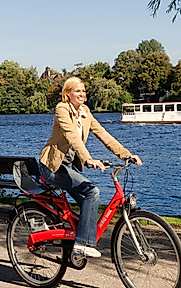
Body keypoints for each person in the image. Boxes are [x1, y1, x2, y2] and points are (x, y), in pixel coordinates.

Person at [37, 77, 142, 260]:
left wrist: (126, 154)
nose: (82, 94)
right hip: (52, 167)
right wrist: (88, 159)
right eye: (77, 91)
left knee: (88, 198)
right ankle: (82, 244)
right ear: (67, 94)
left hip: (67, 166)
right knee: (92, 192)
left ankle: (78, 238)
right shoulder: (62, 109)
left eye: (84, 91)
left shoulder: (85, 112)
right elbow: (72, 137)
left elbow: (104, 135)